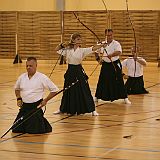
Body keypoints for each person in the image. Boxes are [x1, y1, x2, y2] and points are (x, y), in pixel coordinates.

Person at [54, 33, 105, 116]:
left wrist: (102, 45)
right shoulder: (67, 50)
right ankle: (62, 109)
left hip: (78, 70)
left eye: (80, 39)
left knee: (84, 89)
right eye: (78, 39)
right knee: (67, 90)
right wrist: (62, 45)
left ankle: (92, 110)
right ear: (73, 40)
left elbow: (92, 48)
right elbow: (56, 49)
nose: (80, 41)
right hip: (70, 71)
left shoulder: (82, 50)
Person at [12, 57, 59, 134]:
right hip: (25, 107)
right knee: (16, 129)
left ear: (36, 66)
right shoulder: (22, 77)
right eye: (27, 66)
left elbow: (55, 90)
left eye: (31, 66)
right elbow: (17, 89)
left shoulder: (42, 77)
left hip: (36, 107)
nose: (28, 68)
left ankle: (41, 121)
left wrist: (45, 100)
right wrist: (18, 98)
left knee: (34, 130)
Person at [95, 29, 131, 104]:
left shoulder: (116, 43)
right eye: (108, 35)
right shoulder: (102, 44)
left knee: (119, 80)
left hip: (115, 63)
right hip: (105, 64)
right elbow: (96, 52)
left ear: (113, 35)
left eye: (111, 35)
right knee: (102, 79)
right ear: (105, 35)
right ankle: (97, 97)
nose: (109, 37)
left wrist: (111, 55)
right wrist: (99, 60)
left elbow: (119, 52)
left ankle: (125, 97)